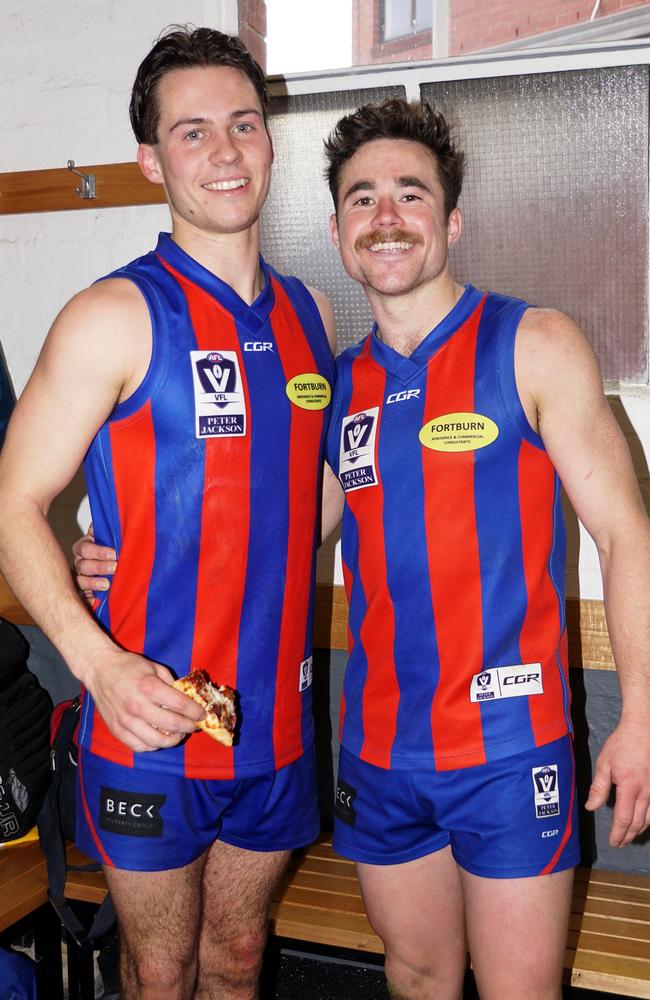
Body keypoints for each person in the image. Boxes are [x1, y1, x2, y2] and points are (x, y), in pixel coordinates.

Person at [0, 26, 335, 1000]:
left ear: (269, 141)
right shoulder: (111, 316)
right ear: (150, 159)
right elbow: (15, 499)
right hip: (145, 722)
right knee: (159, 970)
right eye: (191, 133)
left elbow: (311, 499)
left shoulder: (309, 315)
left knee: (236, 959)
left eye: (242, 124)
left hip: (274, 723)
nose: (224, 151)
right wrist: (96, 659)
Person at [318, 99, 650, 1000]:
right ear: (339, 226)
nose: (385, 217)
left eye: (410, 194)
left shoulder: (534, 343)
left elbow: (626, 534)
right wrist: (107, 560)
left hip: (511, 750)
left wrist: (644, 714)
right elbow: (273, 540)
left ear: (452, 219)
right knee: (418, 978)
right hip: (379, 751)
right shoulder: (336, 387)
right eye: (361, 198)